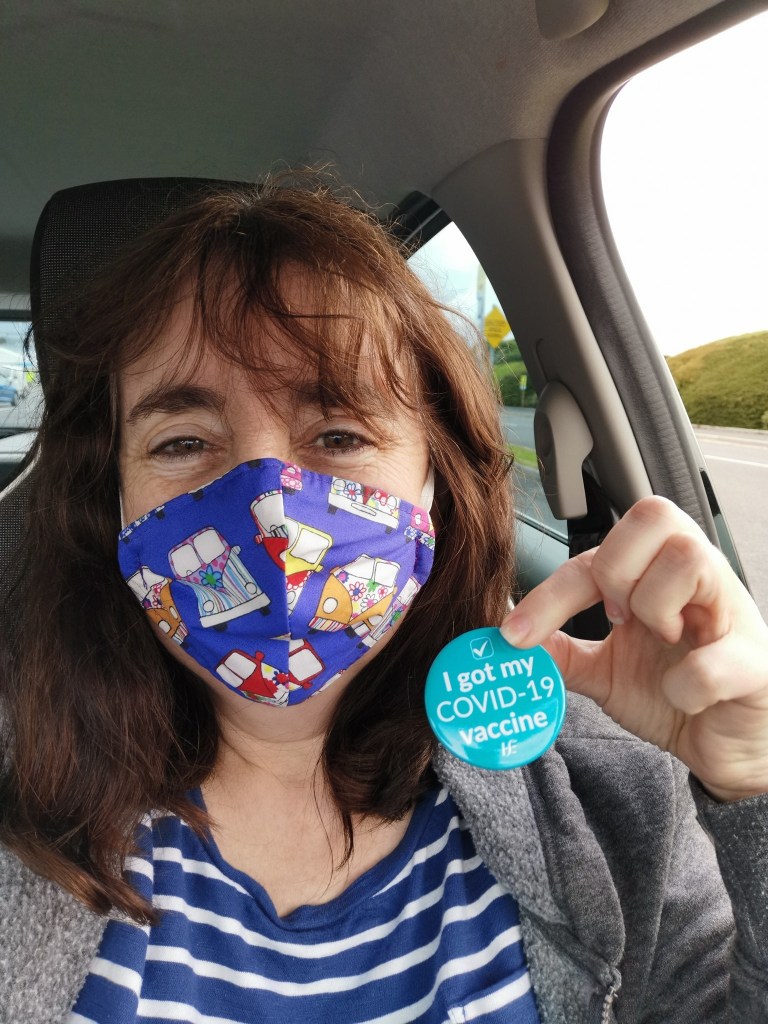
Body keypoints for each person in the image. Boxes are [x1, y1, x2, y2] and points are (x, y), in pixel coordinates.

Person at [0, 178, 766, 1024]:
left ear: (435, 479)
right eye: (182, 442)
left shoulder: (607, 790)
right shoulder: (19, 794)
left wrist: (755, 782)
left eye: (338, 435)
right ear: (113, 501)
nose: (270, 514)